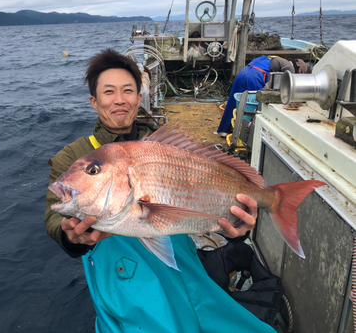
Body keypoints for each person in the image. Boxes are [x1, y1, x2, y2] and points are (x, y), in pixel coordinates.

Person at [44, 48, 276, 333]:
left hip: (184, 266)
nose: (119, 100)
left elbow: (204, 204)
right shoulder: (74, 156)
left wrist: (236, 228)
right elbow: (53, 219)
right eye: (108, 92)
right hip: (125, 284)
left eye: (128, 90)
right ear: (94, 101)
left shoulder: (163, 147)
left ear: (139, 98)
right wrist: (72, 238)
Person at [217, 56, 309, 134]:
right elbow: (288, 89)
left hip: (243, 73)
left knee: (234, 102)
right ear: (299, 69)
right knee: (258, 107)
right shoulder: (290, 69)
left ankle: (224, 130)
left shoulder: (274, 59)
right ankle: (251, 133)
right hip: (256, 77)